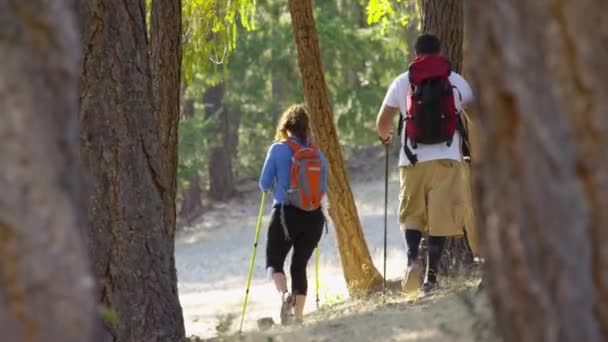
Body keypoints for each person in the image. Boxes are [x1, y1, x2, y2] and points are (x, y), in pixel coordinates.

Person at [375, 34, 474, 293]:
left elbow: (382, 123)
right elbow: (476, 117)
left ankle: (411, 262)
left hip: (412, 158)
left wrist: (385, 137)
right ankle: (431, 277)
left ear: (415, 53)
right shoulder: (454, 80)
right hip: (447, 158)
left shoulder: (402, 81)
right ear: (440, 52)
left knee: (412, 214)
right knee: (440, 217)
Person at [259, 104, 328, 324]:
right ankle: (298, 318)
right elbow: (323, 188)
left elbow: (263, 184)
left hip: (285, 215)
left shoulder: (277, 149)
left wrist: (278, 187)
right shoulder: (318, 154)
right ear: (306, 128)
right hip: (314, 217)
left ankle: (284, 296)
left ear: (286, 126)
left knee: (275, 261)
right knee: (299, 265)